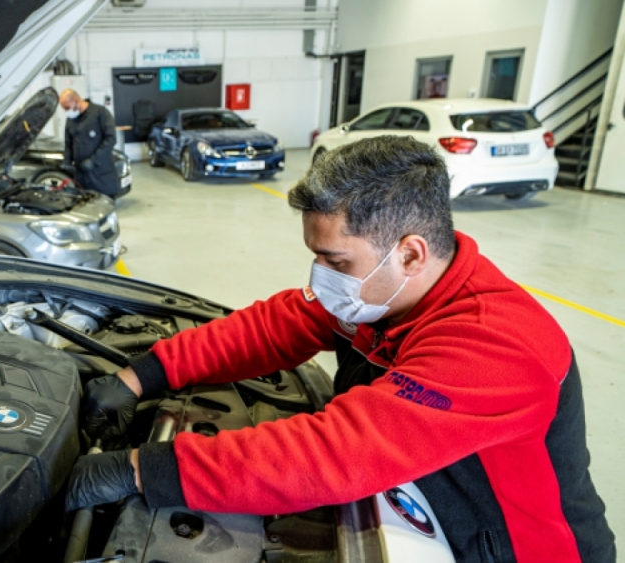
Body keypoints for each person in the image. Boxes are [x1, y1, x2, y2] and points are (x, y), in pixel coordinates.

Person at [65, 136, 615, 563]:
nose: (320, 277)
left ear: (410, 254)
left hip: (510, 549)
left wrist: (142, 469)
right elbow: (272, 326)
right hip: (426, 513)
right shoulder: (383, 295)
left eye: (336, 262)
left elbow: (334, 453)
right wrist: (141, 377)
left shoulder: (498, 343)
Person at [60, 89, 118, 198]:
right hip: (82, 178)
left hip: (101, 175)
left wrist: (93, 161)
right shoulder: (71, 120)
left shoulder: (100, 113)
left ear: (76, 101)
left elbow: (111, 139)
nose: (66, 111)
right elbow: (68, 143)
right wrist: (67, 162)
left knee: (105, 210)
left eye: (67, 107)